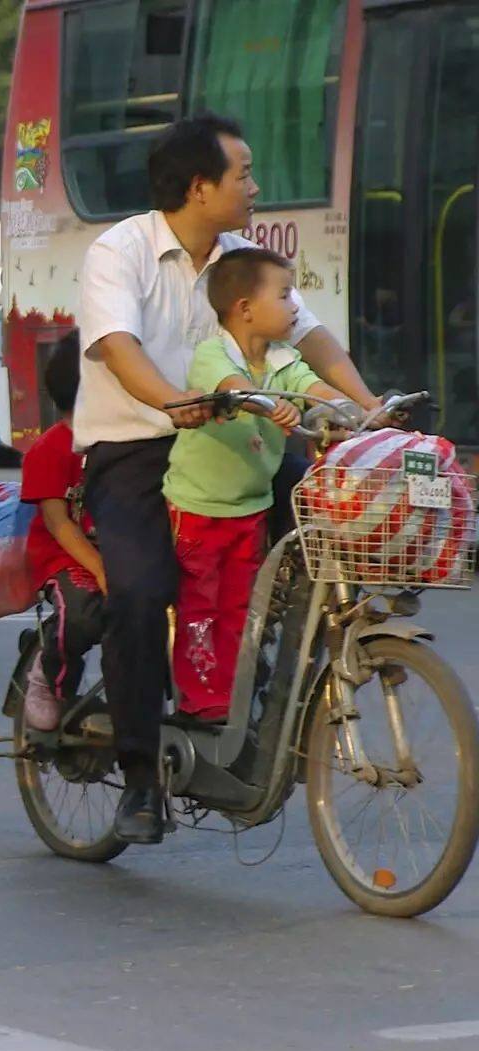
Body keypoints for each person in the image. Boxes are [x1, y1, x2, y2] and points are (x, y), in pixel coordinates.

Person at [75, 113, 380, 844]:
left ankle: (267, 691)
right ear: (198, 186)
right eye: (242, 174)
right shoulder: (118, 252)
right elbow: (117, 346)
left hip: (238, 439)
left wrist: (370, 408)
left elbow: (308, 337)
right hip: (140, 447)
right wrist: (173, 401)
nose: (255, 187)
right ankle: (142, 775)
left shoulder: (246, 259)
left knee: (333, 524)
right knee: (144, 593)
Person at [162, 248, 345, 720]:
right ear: (245, 308)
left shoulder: (284, 358)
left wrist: (352, 408)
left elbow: (312, 385)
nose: (294, 307)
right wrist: (268, 406)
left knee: (243, 606)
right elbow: (232, 389)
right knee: (200, 608)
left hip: (250, 507)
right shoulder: (212, 353)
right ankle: (202, 698)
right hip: (198, 508)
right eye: (285, 295)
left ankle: (236, 690)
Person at [19, 331, 107, 732]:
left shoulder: (119, 443)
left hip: (113, 546)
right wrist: (100, 567)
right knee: (82, 616)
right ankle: (49, 678)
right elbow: (59, 524)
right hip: (64, 555)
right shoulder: (49, 451)